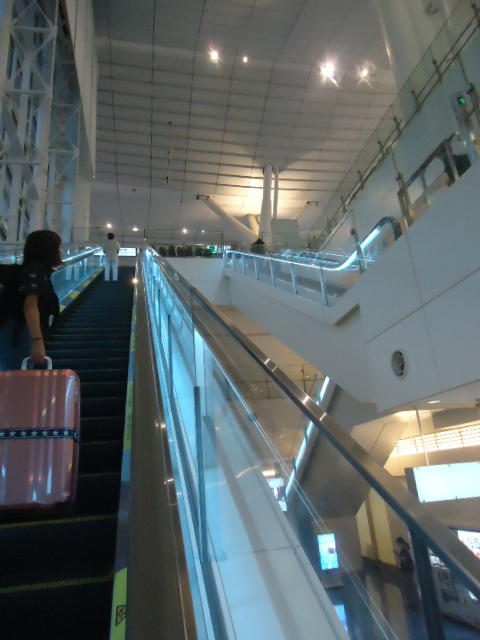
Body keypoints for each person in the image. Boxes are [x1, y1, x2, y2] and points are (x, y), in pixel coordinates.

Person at [0, 230, 61, 371]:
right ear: (48, 249)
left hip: (15, 330)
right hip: (19, 332)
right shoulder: (36, 269)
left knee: (13, 371)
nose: (60, 252)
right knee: (15, 374)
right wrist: (37, 341)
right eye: (57, 247)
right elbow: (30, 305)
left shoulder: (32, 269)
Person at [395, 537, 418, 608]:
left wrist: (398, 555)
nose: (397, 546)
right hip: (410, 569)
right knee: (411, 586)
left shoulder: (404, 550)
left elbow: (404, 559)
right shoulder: (407, 547)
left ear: (400, 543)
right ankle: (414, 602)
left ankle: (411, 604)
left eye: (397, 544)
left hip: (407, 570)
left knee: (408, 587)